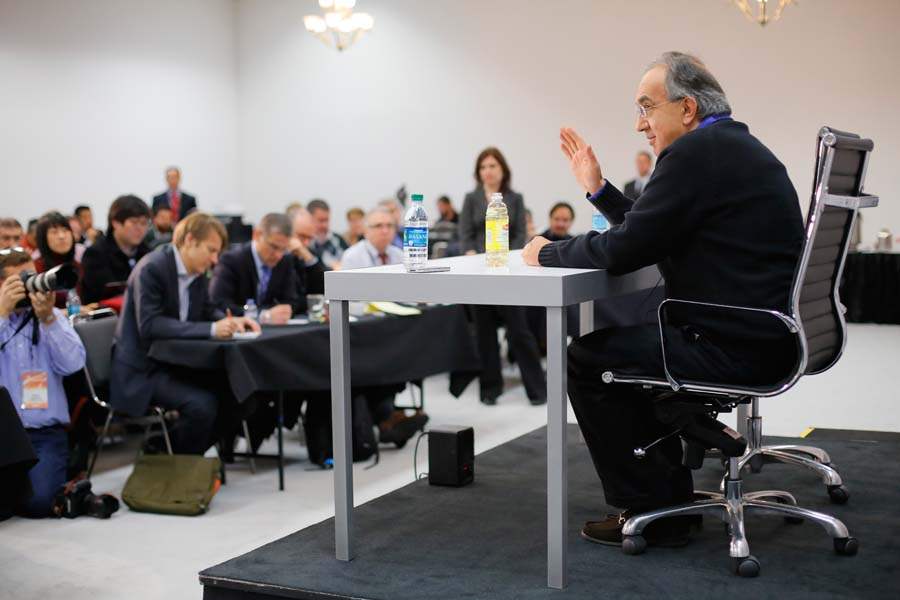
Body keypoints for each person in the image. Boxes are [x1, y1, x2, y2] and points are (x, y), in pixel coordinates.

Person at [522, 51, 803, 546]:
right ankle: (673, 450)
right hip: (765, 333)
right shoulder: (728, 146)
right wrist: (599, 190)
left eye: (647, 107)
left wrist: (546, 253)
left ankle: (659, 508)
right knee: (624, 350)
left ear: (687, 109)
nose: (639, 124)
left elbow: (627, 247)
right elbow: (653, 228)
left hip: (731, 340)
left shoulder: (696, 154)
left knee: (589, 360)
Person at [110, 212, 259, 455]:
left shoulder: (197, 272)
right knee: (202, 406)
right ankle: (178, 460)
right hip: (143, 368)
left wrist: (231, 320)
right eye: (211, 250)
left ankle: (174, 450)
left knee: (243, 395)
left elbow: (206, 309)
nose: (214, 260)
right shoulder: (152, 268)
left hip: (176, 361)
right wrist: (212, 329)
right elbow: (150, 325)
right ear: (190, 240)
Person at [0, 248, 86, 517]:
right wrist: (2, 314)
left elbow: (74, 364)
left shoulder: (52, 317)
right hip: (5, 436)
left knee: (38, 504)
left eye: (31, 277)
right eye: (18, 281)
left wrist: (48, 319)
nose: (27, 287)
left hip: (44, 435)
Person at [459, 147, 546, 406]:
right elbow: (465, 233)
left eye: (492, 166)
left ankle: (537, 389)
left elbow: (520, 233)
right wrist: (472, 253)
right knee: (483, 332)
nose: (488, 171)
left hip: (507, 271)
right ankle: (490, 389)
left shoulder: (514, 198)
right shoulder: (471, 198)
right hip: (479, 272)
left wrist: (506, 256)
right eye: (483, 167)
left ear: (503, 170)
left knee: (519, 330)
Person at [210, 212, 301, 323]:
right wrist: (262, 315)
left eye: (284, 249)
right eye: (274, 247)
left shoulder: (285, 261)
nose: (278, 255)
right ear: (257, 235)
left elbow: (291, 301)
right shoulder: (232, 260)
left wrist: (284, 311)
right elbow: (219, 304)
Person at [81, 195, 152, 304]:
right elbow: (99, 297)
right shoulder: (95, 254)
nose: (140, 228)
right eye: (134, 222)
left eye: (144, 223)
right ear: (116, 223)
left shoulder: (148, 254)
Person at [33, 212, 94, 310]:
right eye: (54, 232)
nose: (62, 236)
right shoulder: (36, 268)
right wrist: (74, 311)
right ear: (43, 238)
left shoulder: (78, 264)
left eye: (65, 230)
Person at [290, 209, 326, 302]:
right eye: (302, 236)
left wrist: (308, 258)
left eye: (310, 238)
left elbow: (324, 290)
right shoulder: (276, 257)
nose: (306, 243)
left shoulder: (310, 253)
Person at [307, 199, 348, 269]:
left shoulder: (338, 239)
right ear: (309, 219)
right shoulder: (306, 243)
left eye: (327, 220)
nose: (325, 225)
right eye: (321, 220)